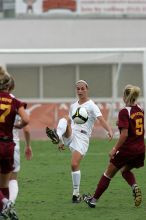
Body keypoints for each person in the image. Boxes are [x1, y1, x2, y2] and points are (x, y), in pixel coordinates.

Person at [46, 80, 113, 203]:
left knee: (74, 164)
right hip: (72, 134)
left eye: (82, 88)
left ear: (87, 89)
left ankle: (76, 195)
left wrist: (109, 130)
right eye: (78, 89)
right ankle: (57, 135)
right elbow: (69, 123)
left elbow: (101, 119)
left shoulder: (92, 105)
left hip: (82, 138)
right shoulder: (73, 106)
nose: (80, 91)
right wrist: (61, 140)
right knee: (65, 119)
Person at [83, 84, 145, 208]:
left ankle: (93, 200)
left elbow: (124, 135)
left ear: (125, 97)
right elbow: (134, 126)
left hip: (127, 150)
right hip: (141, 149)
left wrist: (114, 149)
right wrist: (120, 123)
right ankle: (135, 187)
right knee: (125, 170)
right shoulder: (140, 109)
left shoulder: (124, 112)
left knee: (108, 174)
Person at [0, 66, 29, 220]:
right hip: (10, 145)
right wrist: (18, 126)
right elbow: (27, 121)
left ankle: (5, 203)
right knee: (7, 181)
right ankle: (6, 208)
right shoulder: (15, 101)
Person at [8, 76, 33, 205]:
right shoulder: (17, 103)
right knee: (12, 178)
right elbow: (27, 129)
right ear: (12, 87)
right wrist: (28, 146)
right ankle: (9, 205)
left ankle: (3, 204)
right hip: (12, 145)